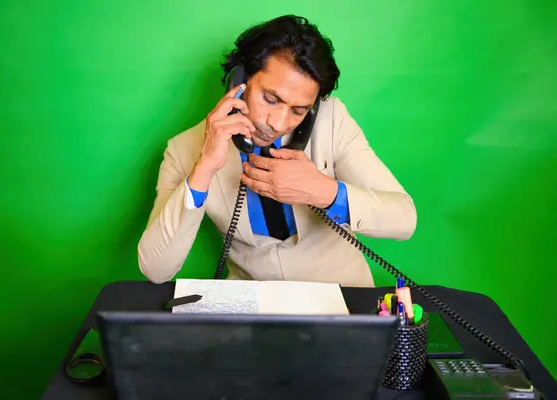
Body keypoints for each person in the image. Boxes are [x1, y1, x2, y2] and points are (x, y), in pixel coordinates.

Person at [138, 15, 417, 287]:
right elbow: (156, 269)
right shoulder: (183, 149)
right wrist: (205, 167)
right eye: (271, 99)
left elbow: (404, 219)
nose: (278, 124)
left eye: (298, 110)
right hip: (253, 303)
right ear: (238, 81)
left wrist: (322, 192)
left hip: (343, 295)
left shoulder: (331, 120)